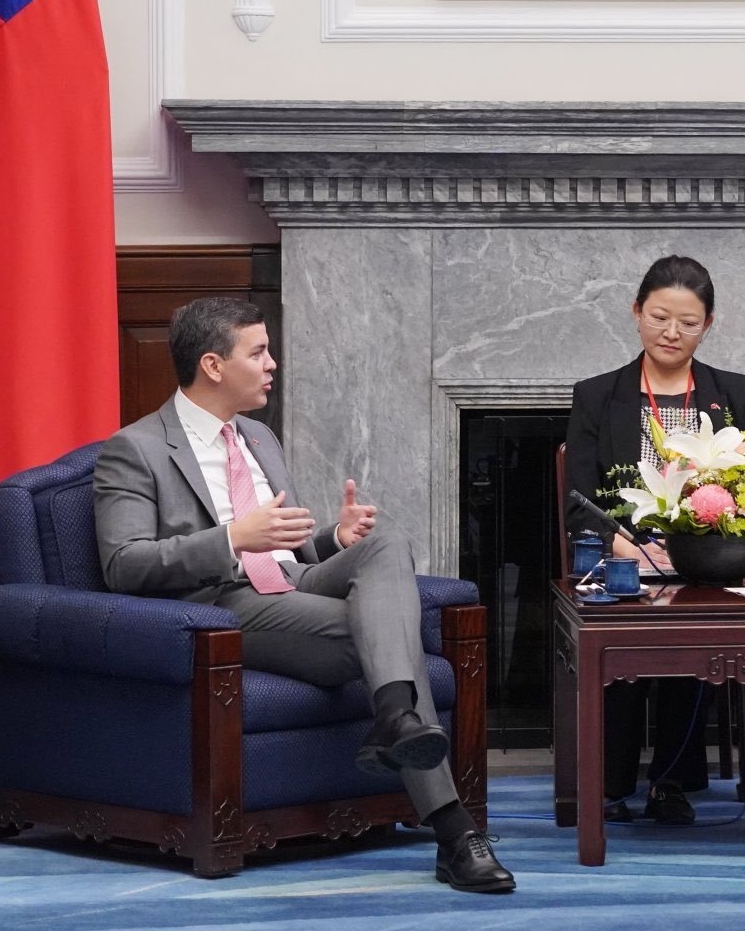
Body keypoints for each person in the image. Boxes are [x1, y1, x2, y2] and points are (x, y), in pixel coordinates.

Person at [92, 298, 514, 892]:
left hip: (292, 583)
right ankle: (453, 831)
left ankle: (395, 716)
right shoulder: (134, 450)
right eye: (258, 351)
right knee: (388, 634)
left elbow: (287, 550)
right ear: (212, 365)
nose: (273, 364)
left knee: (382, 537)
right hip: (224, 604)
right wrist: (233, 538)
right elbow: (122, 564)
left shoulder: (259, 436)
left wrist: (333, 539)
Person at [565, 254, 745, 824]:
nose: (671, 333)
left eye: (687, 322)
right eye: (659, 317)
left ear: (708, 325)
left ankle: (670, 782)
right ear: (636, 314)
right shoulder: (597, 396)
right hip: (624, 562)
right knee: (627, 632)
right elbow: (578, 501)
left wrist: (713, 542)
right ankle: (609, 782)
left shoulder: (736, 395)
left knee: (693, 637)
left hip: (706, 563)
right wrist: (625, 546)